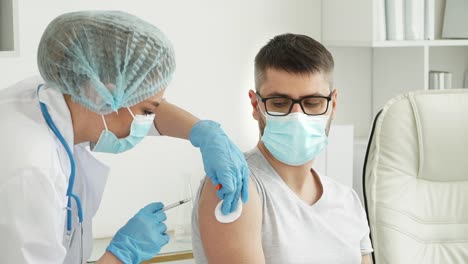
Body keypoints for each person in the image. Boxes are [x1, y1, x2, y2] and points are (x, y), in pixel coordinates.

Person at [0, 11, 249, 264]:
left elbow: (136, 101)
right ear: (100, 96)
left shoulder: (55, 95)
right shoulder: (30, 170)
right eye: (148, 112)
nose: (150, 121)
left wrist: (205, 132)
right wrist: (120, 255)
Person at [192, 33, 373, 263]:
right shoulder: (235, 185)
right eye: (279, 103)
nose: (297, 116)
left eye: (312, 102)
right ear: (255, 104)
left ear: (332, 104)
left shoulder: (347, 201)